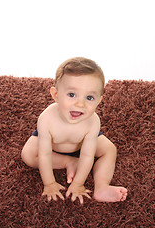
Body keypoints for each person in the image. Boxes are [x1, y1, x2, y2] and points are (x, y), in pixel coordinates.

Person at [21, 57, 127, 204]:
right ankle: (68, 161)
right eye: (72, 95)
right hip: (53, 147)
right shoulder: (47, 119)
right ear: (56, 95)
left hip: (81, 144)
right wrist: (50, 183)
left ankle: (102, 186)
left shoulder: (92, 121)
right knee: (28, 154)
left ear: (99, 101)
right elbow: (45, 154)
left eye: (89, 97)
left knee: (109, 149)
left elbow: (87, 154)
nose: (80, 104)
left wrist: (78, 183)